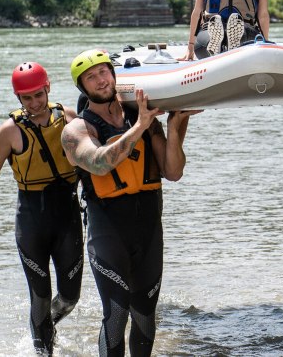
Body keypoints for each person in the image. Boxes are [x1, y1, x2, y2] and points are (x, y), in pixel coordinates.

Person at [61, 49, 199, 357]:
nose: (100, 79)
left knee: (145, 315)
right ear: (83, 86)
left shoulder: (143, 117)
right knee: (117, 312)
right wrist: (140, 127)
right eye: (91, 77)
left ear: (113, 73)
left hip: (149, 229)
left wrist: (176, 126)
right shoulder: (76, 131)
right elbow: (99, 163)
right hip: (108, 232)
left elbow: (173, 171)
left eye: (104, 72)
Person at [0, 62, 83, 357]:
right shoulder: (9, 132)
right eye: (26, 98)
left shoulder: (70, 118)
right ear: (18, 98)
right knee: (41, 297)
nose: (34, 103)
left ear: (48, 88)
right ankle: (42, 348)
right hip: (32, 223)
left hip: (68, 219)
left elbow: (92, 160)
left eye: (38, 95)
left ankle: (44, 328)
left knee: (70, 297)